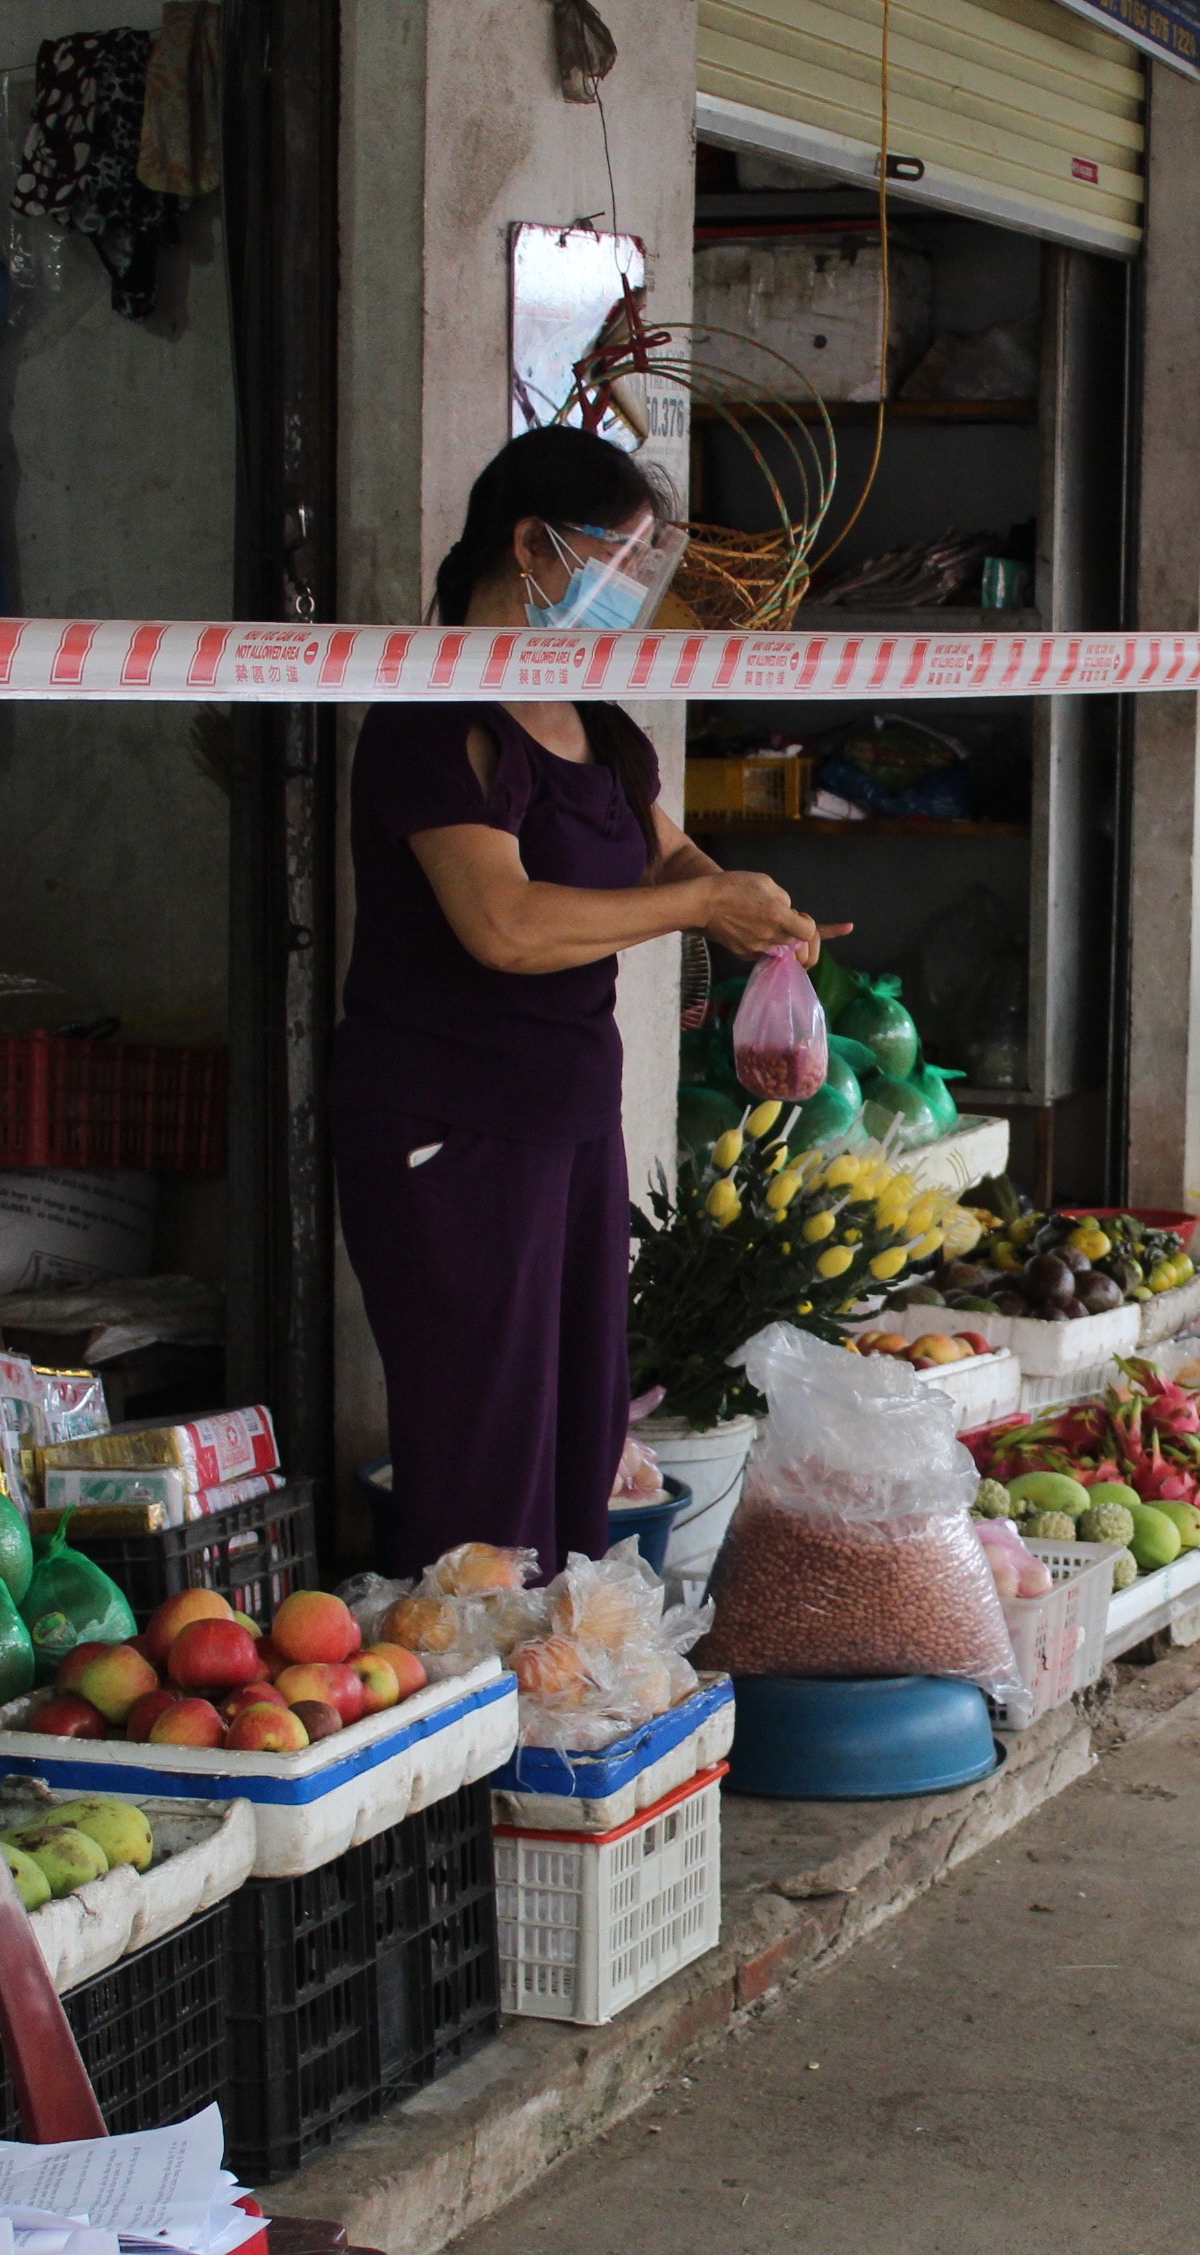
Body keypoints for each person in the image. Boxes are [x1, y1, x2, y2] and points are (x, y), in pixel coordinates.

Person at [331, 427, 844, 1575]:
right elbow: (505, 926)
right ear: (531, 546)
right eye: (616, 561)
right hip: (447, 1130)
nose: (629, 593)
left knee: (575, 1434)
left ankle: (545, 1686)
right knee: (477, 1446)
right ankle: (465, 1702)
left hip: (567, 1126)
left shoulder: (595, 722)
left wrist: (750, 912)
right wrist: (697, 907)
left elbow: (665, 863)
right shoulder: (431, 719)